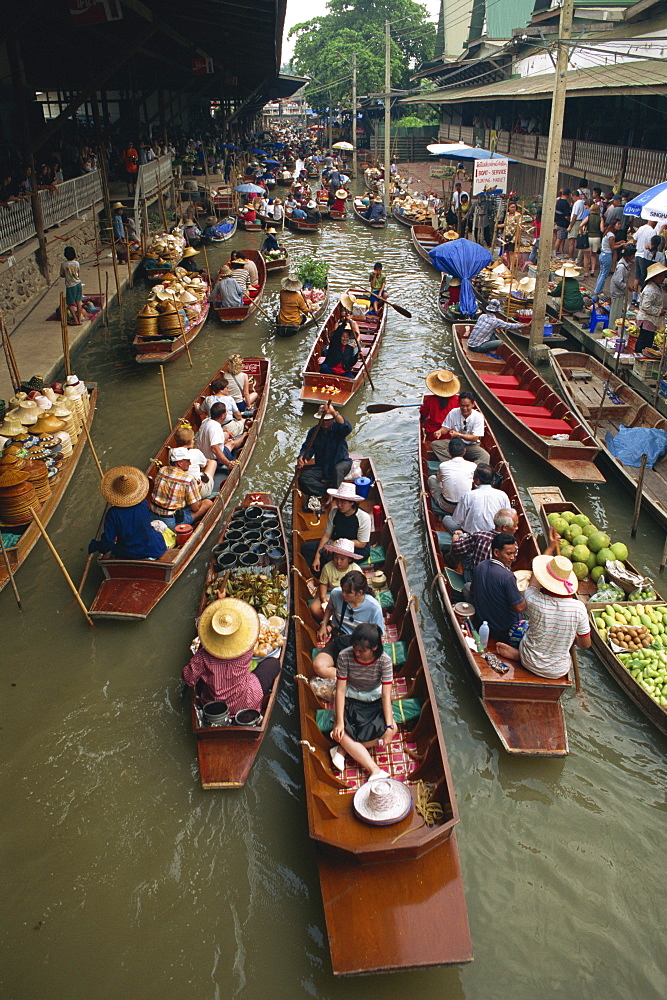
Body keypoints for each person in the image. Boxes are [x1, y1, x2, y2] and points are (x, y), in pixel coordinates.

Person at [496, 531, 591, 678]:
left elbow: (534, 579)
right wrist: (571, 636)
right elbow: (585, 644)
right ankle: (522, 655)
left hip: (529, 661)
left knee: (519, 626)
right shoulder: (579, 609)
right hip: (558, 670)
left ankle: (519, 655)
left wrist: (550, 548)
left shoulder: (534, 599)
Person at [182, 598, 281, 713]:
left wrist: (196, 660)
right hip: (245, 701)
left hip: (214, 705)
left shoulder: (203, 656)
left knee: (200, 678)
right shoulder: (246, 650)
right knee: (273, 663)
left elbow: (188, 679)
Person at [329, 623, 395, 780]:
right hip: (351, 698)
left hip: (374, 698)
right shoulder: (345, 656)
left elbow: (386, 696)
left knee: (392, 731)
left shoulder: (384, 661)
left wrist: (389, 726)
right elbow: (340, 690)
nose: (356, 653)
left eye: (362, 651)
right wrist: (339, 723)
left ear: (374, 648)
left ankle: (343, 749)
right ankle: (374, 769)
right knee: (340, 731)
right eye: (355, 648)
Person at [313, 571, 385, 679]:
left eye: (348, 592)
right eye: (342, 590)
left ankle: (348, 678)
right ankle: (352, 678)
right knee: (318, 666)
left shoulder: (374, 608)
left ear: (360, 592)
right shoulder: (336, 594)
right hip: (339, 639)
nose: (343, 594)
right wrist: (324, 625)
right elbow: (330, 608)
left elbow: (378, 637)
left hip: (361, 644)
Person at [87, 466, 167, 560]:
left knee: (115, 551)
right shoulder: (143, 503)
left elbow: (108, 544)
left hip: (129, 553)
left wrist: (96, 546)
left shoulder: (113, 513)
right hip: (154, 548)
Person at [301, 480, 372, 573]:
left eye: (343, 503)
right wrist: (317, 557)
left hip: (356, 549)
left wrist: (338, 542)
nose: (339, 505)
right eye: (338, 501)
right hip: (335, 545)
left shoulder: (363, 517)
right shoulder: (334, 512)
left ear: (352, 503)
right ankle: (321, 575)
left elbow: (362, 543)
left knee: (335, 557)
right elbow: (326, 535)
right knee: (307, 548)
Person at [470, 532, 527, 644]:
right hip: (503, 630)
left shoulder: (481, 565)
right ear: (496, 552)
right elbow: (519, 608)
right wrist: (530, 594)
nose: (513, 558)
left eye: (514, 553)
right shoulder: (507, 577)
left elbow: (472, 591)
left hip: (483, 621)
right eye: (509, 554)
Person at [297, 401, 352, 513]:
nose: (325, 423)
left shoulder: (338, 428)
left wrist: (333, 412)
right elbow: (307, 447)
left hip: (341, 463)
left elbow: (347, 428)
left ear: (332, 419)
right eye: (323, 420)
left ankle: (336, 496)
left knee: (338, 469)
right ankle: (328, 493)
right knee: (303, 478)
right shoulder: (314, 431)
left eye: (328, 420)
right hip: (323, 467)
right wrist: (302, 457)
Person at [148, 447, 213, 529]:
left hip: (152, 516)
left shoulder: (162, 470)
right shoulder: (188, 479)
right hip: (171, 522)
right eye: (188, 461)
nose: (190, 463)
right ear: (179, 463)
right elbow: (195, 508)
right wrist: (198, 489)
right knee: (208, 503)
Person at [449, 508, 519, 581]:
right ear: (505, 528)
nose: (517, 528)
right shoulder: (514, 546)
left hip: (473, 578)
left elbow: (457, 547)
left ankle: (450, 561)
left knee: (466, 551)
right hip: (495, 581)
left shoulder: (479, 536)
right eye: (515, 525)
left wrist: (456, 534)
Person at [443, 464, 511, 535]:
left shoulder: (468, 496)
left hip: (471, 535)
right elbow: (508, 517)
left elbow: (458, 520)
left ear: (477, 480)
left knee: (446, 519)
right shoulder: (502, 495)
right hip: (495, 535)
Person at [310, 537, 362, 621]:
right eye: (336, 558)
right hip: (331, 594)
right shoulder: (327, 567)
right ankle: (334, 619)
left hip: (349, 596)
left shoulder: (356, 569)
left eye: (342, 559)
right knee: (314, 608)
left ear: (349, 559)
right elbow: (323, 584)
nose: (338, 562)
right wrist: (323, 598)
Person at [431, 391, 490, 465]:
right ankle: (453, 464)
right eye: (462, 405)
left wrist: (459, 435)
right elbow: (446, 428)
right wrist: (439, 431)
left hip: (470, 445)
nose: (464, 408)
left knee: (485, 456)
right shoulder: (453, 412)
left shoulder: (478, 416)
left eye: (467, 406)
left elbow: (475, 438)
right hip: (456, 444)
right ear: (459, 404)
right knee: (435, 445)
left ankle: (473, 471)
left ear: (473, 405)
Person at [427, 437, 475, 515]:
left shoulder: (443, 465)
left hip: (446, 506)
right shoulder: (473, 466)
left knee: (432, 478)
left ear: (448, 452)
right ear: (464, 451)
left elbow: (439, 480)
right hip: (464, 507)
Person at [196, 402, 244, 472]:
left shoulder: (206, 421)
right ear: (223, 415)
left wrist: (225, 430)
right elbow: (214, 448)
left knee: (226, 436)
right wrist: (228, 463)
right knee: (231, 443)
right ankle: (245, 436)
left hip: (202, 456)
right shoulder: (215, 428)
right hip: (213, 459)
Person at [172, 425, 216, 498]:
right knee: (212, 462)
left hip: (181, 489)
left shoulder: (172, 453)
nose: (193, 441)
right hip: (197, 490)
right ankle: (208, 486)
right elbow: (205, 464)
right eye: (193, 439)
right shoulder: (195, 452)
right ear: (189, 442)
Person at [635, 262, 667, 354]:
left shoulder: (657, 286)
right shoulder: (650, 289)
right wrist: (658, 311)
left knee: (646, 341)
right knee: (645, 342)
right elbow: (645, 306)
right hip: (647, 320)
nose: (662, 278)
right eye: (660, 276)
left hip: (651, 320)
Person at [420, 369, 461, 441]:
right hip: (452, 433)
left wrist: (423, 418)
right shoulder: (458, 399)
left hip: (434, 434)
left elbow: (424, 413)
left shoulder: (430, 399)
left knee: (425, 421)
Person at [608, 246, 636, 328]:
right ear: (629, 256)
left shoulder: (625, 265)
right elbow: (618, 282)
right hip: (617, 292)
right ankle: (612, 328)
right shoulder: (621, 267)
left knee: (618, 311)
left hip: (619, 292)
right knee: (615, 313)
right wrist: (627, 287)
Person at [59, 246, 84, 326]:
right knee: (78, 302)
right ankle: (79, 319)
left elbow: (62, 275)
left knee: (70, 304)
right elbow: (78, 274)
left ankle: (75, 320)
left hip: (70, 285)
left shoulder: (64, 264)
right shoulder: (77, 263)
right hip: (78, 283)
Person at [633, 219, 658, 288]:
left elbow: (634, 239)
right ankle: (641, 294)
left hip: (637, 254)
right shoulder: (652, 231)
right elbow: (653, 244)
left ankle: (634, 296)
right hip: (645, 256)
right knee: (644, 277)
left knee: (637, 276)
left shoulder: (641, 228)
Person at [567, 190, 587, 258]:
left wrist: (570, 226)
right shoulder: (584, 202)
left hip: (575, 222)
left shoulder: (577, 204)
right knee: (579, 241)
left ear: (574, 196)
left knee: (571, 242)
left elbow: (574, 215)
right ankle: (579, 258)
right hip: (582, 221)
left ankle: (570, 257)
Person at [554, 189, 571, 255]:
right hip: (563, 223)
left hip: (558, 221)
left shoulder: (559, 201)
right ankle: (555, 252)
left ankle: (559, 251)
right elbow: (567, 215)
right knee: (560, 238)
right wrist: (570, 222)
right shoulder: (565, 203)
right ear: (568, 194)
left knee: (561, 237)